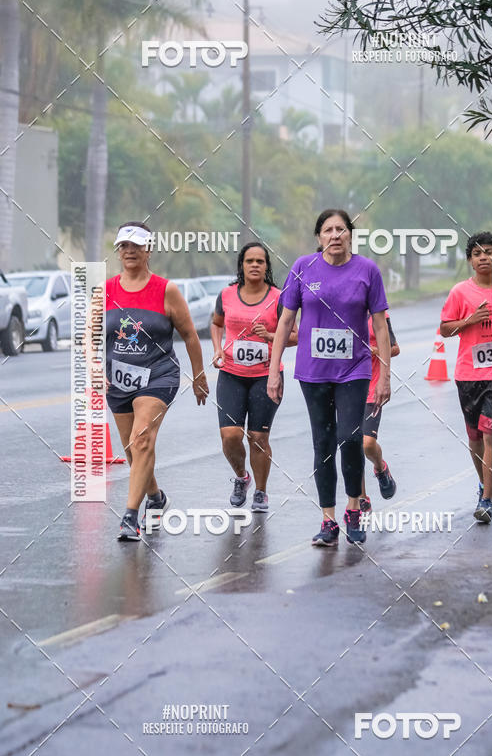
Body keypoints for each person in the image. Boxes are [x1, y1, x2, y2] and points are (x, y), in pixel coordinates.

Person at [268, 209, 391, 546]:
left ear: (350, 234)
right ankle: (328, 520)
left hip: (355, 369)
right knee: (322, 444)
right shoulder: (302, 268)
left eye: (341, 229)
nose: (335, 235)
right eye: (328, 230)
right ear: (319, 237)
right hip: (313, 372)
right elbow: (285, 322)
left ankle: (353, 508)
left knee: (350, 439)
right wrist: (273, 369)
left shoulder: (367, 270)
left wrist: (385, 378)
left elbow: (380, 326)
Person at [105, 222, 208, 540]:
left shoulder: (166, 290)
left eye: (137, 246)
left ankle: (129, 517)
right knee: (133, 451)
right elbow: (89, 334)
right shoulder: (106, 289)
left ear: (149, 250)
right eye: (124, 246)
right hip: (118, 378)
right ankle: (156, 497)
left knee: (142, 440)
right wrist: (92, 367)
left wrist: (199, 375)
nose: (130, 251)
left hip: (159, 376)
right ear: (119, 251)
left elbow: (190, 334)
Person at [211, 243, 297, 512]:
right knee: (230, 436)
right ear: (242, 265)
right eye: (250, 261)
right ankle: (241, 478)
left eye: (260, 261)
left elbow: (295, 336)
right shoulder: (226, 294)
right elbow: (216, 324)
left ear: (266, 266)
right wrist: (217, 349)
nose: (255, 265)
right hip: (232, 374)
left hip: (266, 376)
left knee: (258, 438)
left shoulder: (279, 297)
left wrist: (270, 336)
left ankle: (260, 491)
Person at [440, 231, 492, 524]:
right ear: (470, 260)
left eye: (489, 252)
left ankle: (488, 499)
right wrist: (470, 321)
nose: (483, 257)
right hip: (468, 374)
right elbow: (444, 329)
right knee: (475, 438)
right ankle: (484, 484)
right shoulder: (459, 292)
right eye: (477, 253)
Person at [360, 312, 400, 514]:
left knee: (366, 443)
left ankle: (380, 468)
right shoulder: (338, 311)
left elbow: (395, 348)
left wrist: (376, 350)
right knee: (351, 444)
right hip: (345, 386)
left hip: (372, 386)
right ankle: (361, 499)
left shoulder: (379, 314)